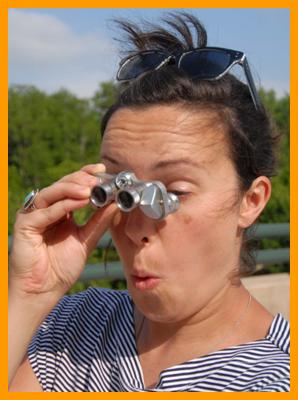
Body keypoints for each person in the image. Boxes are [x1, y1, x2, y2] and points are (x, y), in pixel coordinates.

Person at [9, 12, 289, 392]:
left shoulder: (274, 378)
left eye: (173, 192)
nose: (138, 225)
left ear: (250, 201)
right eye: (120, 188)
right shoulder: (74, 326)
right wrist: (28, 294)